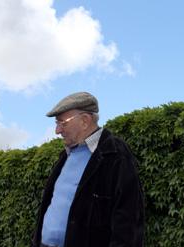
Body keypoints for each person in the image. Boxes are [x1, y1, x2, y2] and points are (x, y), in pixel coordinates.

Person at [32, 92, 144, 247]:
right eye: (56, 124)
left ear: (85, 121)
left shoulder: (115, 153)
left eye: (62, 123)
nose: (57, 131)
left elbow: (128, 219)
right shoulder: (65, 156)